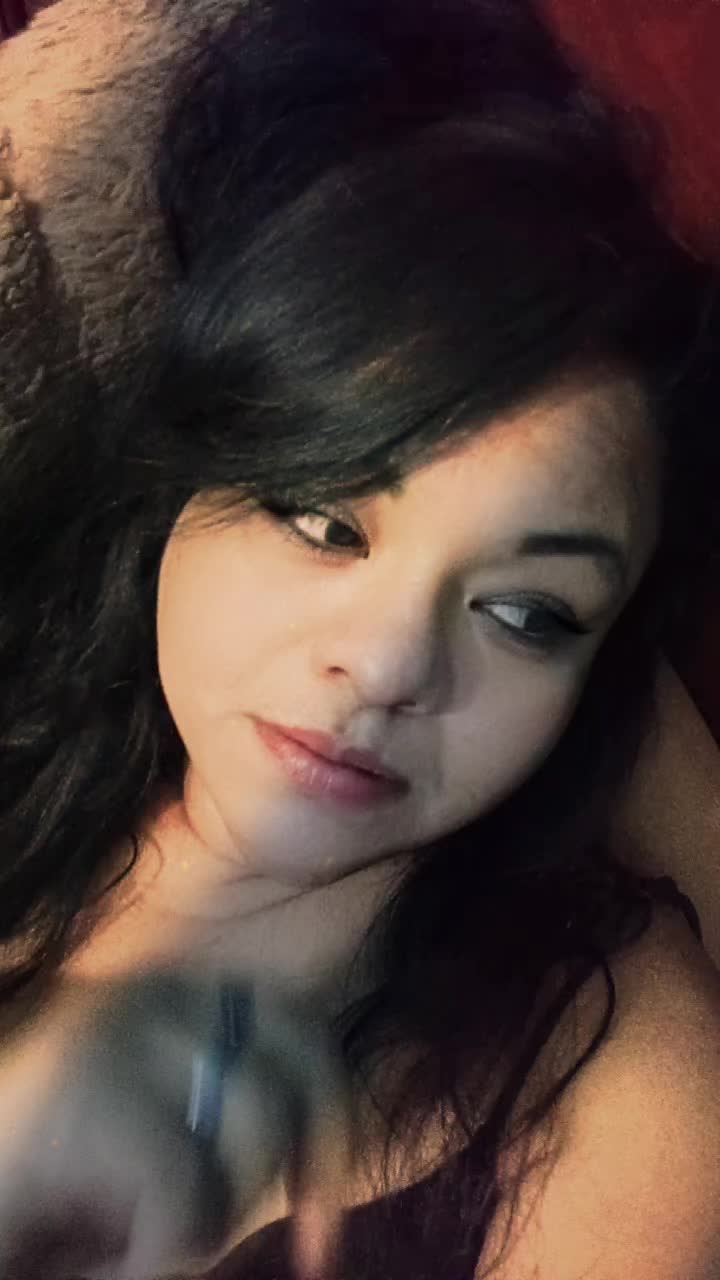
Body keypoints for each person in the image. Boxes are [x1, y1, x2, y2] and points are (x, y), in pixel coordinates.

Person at [0, 1, 719, 1278]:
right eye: (327, 522)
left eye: (528, 613)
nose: (386, 667)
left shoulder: (610, 1086)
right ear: (187, 477)